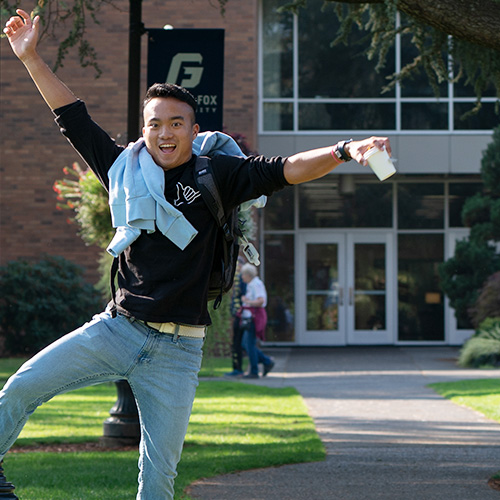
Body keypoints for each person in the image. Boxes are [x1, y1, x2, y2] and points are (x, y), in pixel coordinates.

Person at [0, 9, 392, 500]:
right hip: (117, 328)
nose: (165, 133)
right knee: (19, 388)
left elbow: (285, 169)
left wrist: (344, 150)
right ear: (143, 129)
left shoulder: (218, 175)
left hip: (179, 351)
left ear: (192, 127)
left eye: (176, 124)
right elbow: (72, 118)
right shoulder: (122, 168)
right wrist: (30, 56)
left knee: (159, 475)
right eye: (155, 125)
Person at [239, 263, 274, 379]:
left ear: (248, 275)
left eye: (243, 274)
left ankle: (254, 371)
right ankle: (266, 361)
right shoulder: (251, 284)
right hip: (250, 318)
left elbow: (260, 301)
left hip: (254, 318)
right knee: (246, 344)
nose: (242, 277)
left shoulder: (255, 285)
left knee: (249, 344)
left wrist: (246, 301)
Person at [225, 257, 247, 377]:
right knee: (237, 343)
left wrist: (239, 310)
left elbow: (243, 297)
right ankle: (236, 368)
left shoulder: (243, 279)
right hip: (238, 315)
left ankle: (238, 368)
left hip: (241, 316)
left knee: (239, 343)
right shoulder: (238, 279)